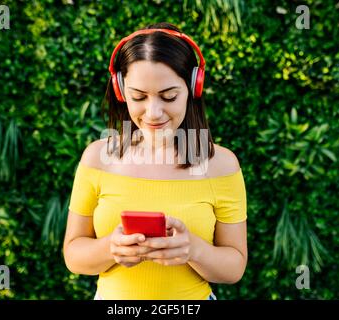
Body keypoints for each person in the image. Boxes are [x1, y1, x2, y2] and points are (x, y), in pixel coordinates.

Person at [63, 22, 247, 300]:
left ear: (193, 89)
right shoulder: (97, 158)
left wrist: (193, 250)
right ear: (121, 91)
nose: (153, 112)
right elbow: (73, 254)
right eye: (138, 97)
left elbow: (234, 267)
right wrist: (110, 248)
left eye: (169, 96)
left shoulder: (221, 165)